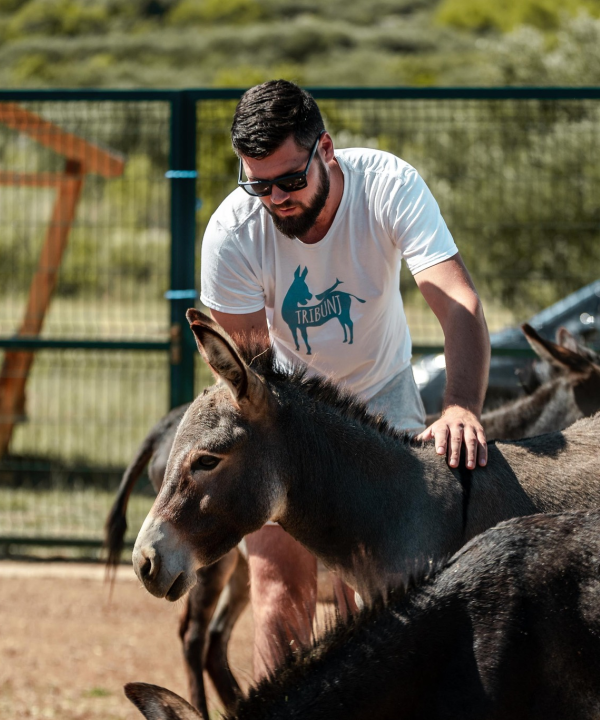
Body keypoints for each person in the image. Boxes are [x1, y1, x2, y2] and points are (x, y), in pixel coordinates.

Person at [198, 79, 490, 677]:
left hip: (381, 397)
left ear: (324, 150)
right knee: (281, 587)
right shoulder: (232, 233)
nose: (274, 198)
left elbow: (458, 302)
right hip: (287, 412)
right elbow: (249, 381)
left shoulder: (389, 185)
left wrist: (460, 405)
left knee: (382, 593)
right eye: (258, 184)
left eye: (289, 180)